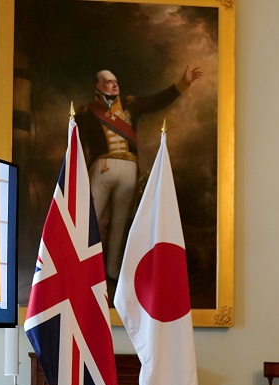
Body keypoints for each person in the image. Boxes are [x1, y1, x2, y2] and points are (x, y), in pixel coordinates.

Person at [76, 66, 203, 284]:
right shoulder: (86, 113)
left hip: (128, 169)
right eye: (108, 81)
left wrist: (184, 82)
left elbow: (158, 100)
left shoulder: (131, 105)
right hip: (101, 167)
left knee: (120, 223)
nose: (114, 84)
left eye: (115, 80)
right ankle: (84, 271)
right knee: (91, 221)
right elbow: (78, 145)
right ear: (97, 86)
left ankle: (112, 274)